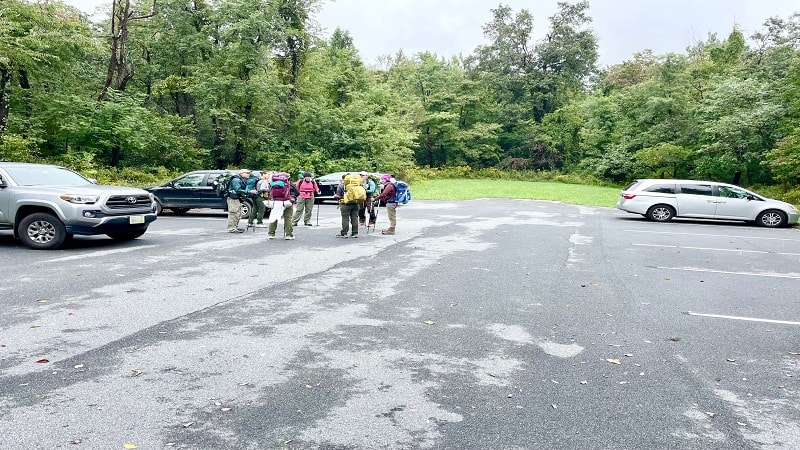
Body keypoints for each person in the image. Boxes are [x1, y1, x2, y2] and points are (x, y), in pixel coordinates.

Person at [267, 172, 296, 240]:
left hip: (276, 202)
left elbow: (269, 192)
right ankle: (289, 234)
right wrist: (292, 198)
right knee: (288, 218)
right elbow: (297, 192)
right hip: (287, 202)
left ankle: (271, 234)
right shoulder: (289, 184)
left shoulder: (273, 184)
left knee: (274, 217)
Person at [226, 168, 253, 233]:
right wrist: (249, 191)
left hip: (237, 199)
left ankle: (235, 227)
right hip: (233, 199)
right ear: (242, 173)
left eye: (249, 173)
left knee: (238, 213)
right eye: (247, 173)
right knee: (233, 213)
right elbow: (238, 190)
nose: (249, 174)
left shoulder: (241, 179)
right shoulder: (236, 180)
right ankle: (231, 228)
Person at [333, 173, 359, 238]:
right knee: (354, 218)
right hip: (356, 203)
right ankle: (355, 233)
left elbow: (338, 195)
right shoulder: (356, 185)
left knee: (345, 218)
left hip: (345, 204)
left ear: (343, 179)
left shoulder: (341, 185)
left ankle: (344, 233)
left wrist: (335, 196)